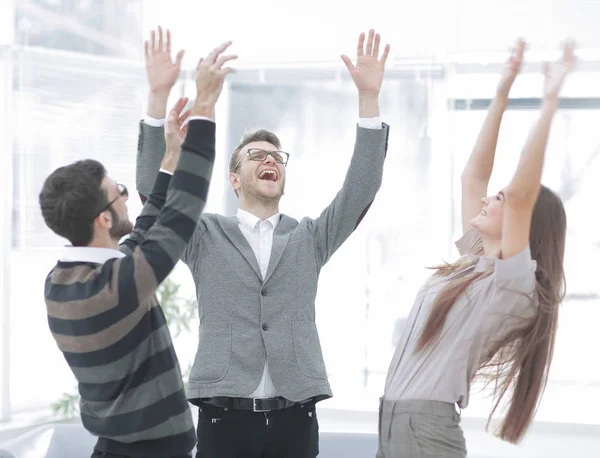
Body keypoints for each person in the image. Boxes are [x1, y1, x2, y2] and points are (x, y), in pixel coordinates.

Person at [136, 27, 390, 458]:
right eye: (256, 155)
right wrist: (157, 99)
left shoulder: (309, 237)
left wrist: (369, 101)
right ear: (235, 180)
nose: (270, 159)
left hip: (296, 418)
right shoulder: (204, 236)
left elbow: (360, 191)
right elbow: (151, 195)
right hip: (224, 418)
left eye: (276, 156)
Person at [39, 40, 236, 458]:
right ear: (104, 220)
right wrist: (204, 103)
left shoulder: (62, 282)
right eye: (120, 193)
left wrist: (168, 151)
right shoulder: (118, 284)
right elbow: (182, 212)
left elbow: (142, 233)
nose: (128, 198)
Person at [378, 40, 574, 457]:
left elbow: (521, 192)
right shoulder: (474, 263)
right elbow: (472, 178)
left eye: (499, 199)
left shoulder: (514, 286)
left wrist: (550, 101)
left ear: (526, 223)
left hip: (424, 429)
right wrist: (502, 92)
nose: (487, 199)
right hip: (396, 424)